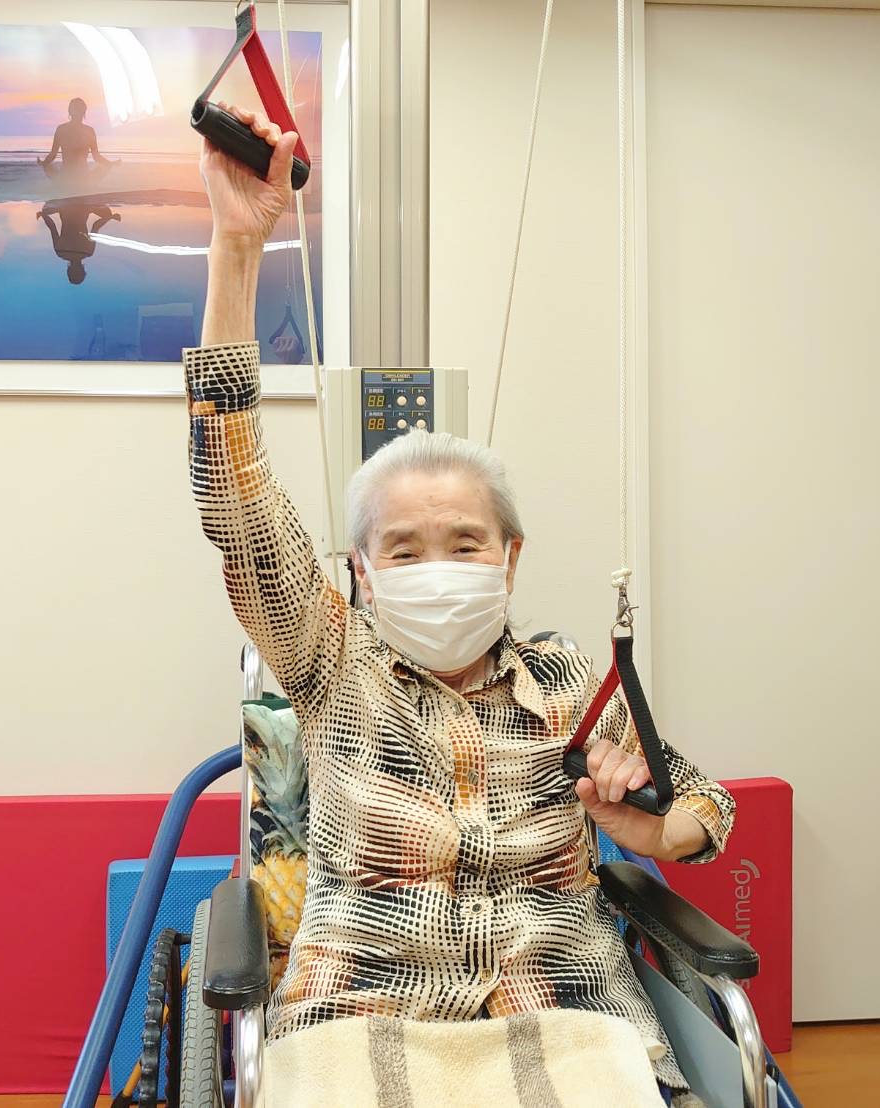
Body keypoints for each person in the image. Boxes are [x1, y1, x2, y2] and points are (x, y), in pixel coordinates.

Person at [185, 102, 736, 1105]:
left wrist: (661, 828)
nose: (436, 565)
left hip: (565, 1016)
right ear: (360, 571)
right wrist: (235, 249)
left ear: (509, 559)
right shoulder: (327, 657)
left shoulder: (571, 681)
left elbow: (707, 801)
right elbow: (234, 496)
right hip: (361, 1016)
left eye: (465, 543)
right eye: (403, 548)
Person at [36, 200, 120, 285]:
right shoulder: (60, 252)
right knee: (45, 211)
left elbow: (95, 226)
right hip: (65, 208)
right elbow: (52, 227)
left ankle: (89, 208)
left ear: (83, 270)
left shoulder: (88, 252)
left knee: (107, 214)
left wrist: (110, 217)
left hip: (83, 207)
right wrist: (43, 215)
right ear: (68, 270)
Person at [37, 97, 117, 181]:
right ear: (84, 112)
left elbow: (53, 154)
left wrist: (44, 163)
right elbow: (96, 156)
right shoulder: (89, 131)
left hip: (66, 176)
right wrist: (109, 164)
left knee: (48, 166)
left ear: (69, 112)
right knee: (104, 167)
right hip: (82, 177)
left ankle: (62, 182)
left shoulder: (61, 129)